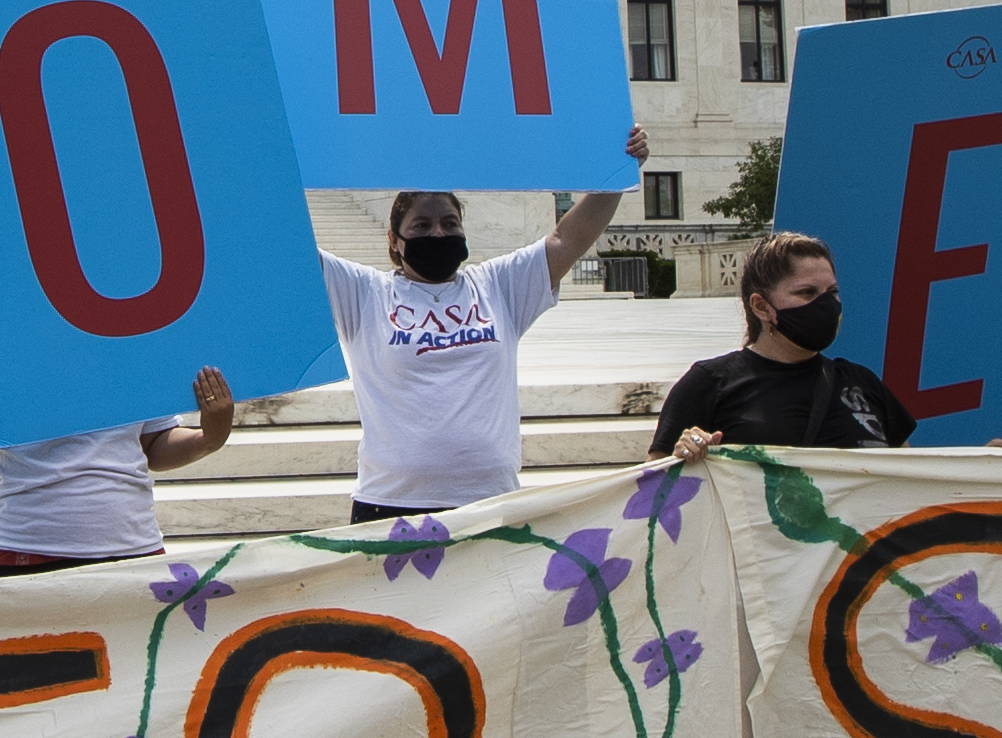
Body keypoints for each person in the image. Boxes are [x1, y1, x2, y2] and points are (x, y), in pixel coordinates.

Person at [323, 124, 648, 522]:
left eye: (449, 223)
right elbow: (291, 246)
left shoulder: (499, 286)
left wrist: (617, 172)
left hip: (491, 502)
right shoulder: (363, 293)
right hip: (391, 505)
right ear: (394, 239)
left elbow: (567, 240)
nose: (438, 233)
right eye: (421, 226)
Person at [0, 329, 235, 576]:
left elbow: (153, 445)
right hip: (22, 553)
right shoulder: (5, 342)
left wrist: (211, 436)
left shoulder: (135, 344)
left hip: (133, 551)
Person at [657, 230, 922, 459]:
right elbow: (650, 498)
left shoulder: (863, 384)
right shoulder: (709, 384)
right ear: (761, 306)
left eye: (831, 292)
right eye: (807, 293)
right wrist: (682, 456)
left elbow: (908, 483)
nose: (826, 305)